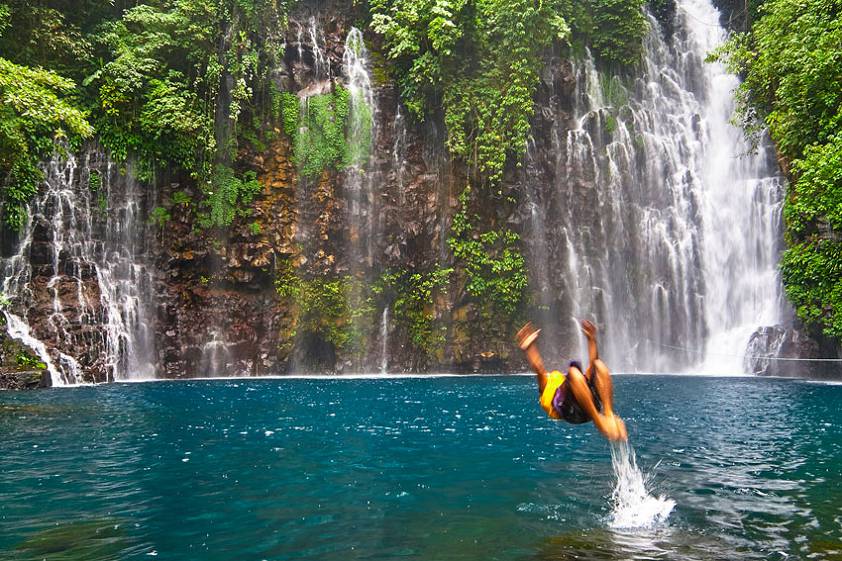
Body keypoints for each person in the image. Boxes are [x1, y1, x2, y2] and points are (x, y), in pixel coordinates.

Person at [516, 319, 627, 441]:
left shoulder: (577, 383)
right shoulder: (547, 386)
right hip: (572, 413)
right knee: (574, 372)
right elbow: (539, 368)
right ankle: (600, 422)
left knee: (598, 365)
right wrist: (530, 347)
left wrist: (591, 339)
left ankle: (609, 414)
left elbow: (592, 365)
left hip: (587, 405)